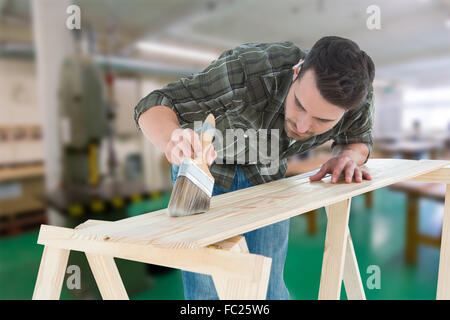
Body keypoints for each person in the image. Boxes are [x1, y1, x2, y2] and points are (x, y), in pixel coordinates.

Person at [134, 36, 375, 299]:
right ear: (296, 72)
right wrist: (173, 138)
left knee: (267, 284)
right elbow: (154, 102)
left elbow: (356, 141)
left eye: (322, 119)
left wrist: (348, 156)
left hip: (266, 170)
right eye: (300, 105)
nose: (303, 126)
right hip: (205, 169)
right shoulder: (246, 71)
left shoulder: (356, 96)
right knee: (208, 288)